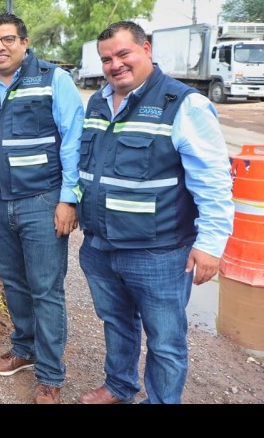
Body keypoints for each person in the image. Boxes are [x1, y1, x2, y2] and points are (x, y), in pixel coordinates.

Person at [76, 20, 234, 405]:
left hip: (158, 253)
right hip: (100, 246)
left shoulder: (182, 104)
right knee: (116, 323)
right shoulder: (97, 102)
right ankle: (119, 386)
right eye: (106, 59)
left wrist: (210, 244)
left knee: (165, 341)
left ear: (146, 49)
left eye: (123, 54)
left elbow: (213, 181)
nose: (115, 65)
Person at [0, 13, 83, 405]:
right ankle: (24, 348)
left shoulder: (53, 79)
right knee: (14, 282)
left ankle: (50, 375)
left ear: (24, 42)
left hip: (42, 201)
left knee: (45, 289)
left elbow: (73, 140)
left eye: (8, 39)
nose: (0, 47)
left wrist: (69, 198)